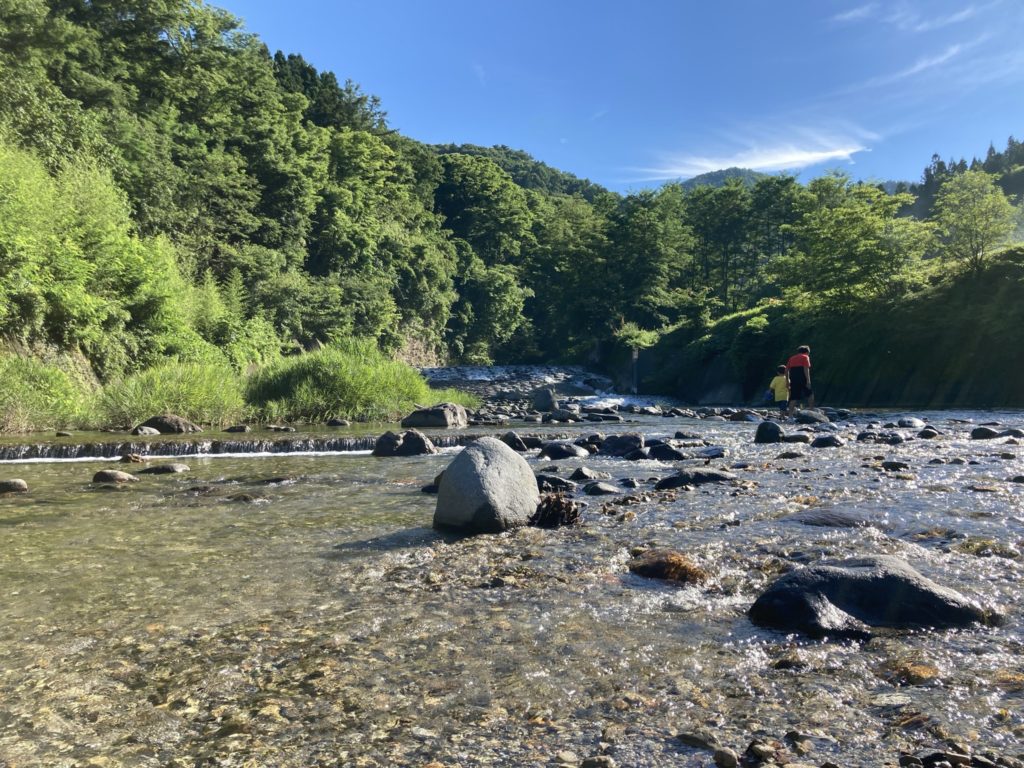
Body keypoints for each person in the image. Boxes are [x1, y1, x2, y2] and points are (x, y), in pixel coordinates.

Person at [786, 345, 813, 413]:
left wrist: (787, 381)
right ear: (807, 352)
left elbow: (786, 370)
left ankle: (790, 416)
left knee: (793, 397)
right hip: (803, 378)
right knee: (810, 394)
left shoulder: (791, 358)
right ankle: (811, 411)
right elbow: (806, 369)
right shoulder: (805, 357)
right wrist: (808, 381)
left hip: (793, 378)